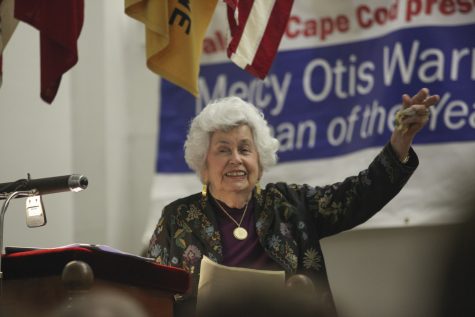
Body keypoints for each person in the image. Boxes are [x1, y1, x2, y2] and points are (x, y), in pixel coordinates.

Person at [145, 88, 439, 316]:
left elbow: (358, 195)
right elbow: (153, 293)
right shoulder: (177, 218)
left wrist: (400, 142)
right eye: (223, 150)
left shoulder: (289, 204)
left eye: (244, 148)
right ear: (204, 165)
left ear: (259, 161)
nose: (236, 158)